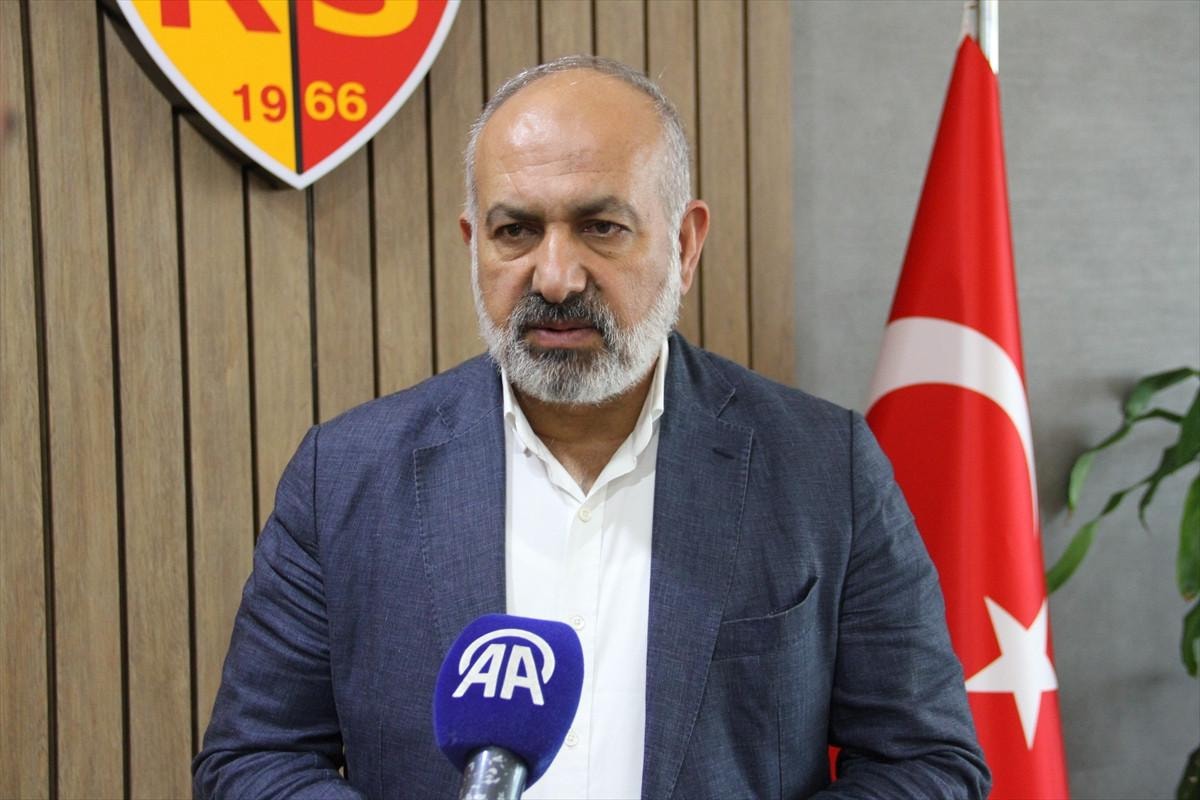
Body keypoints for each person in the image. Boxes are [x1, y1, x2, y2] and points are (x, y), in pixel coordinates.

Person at [193, 55, 990, 799]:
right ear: (474, 245)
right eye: (516, 231)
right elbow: (254, 758)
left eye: (600, 226)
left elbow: (928, 763)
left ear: (685, 244)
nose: (555, 276)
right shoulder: (345, 476)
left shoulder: (822, 469)